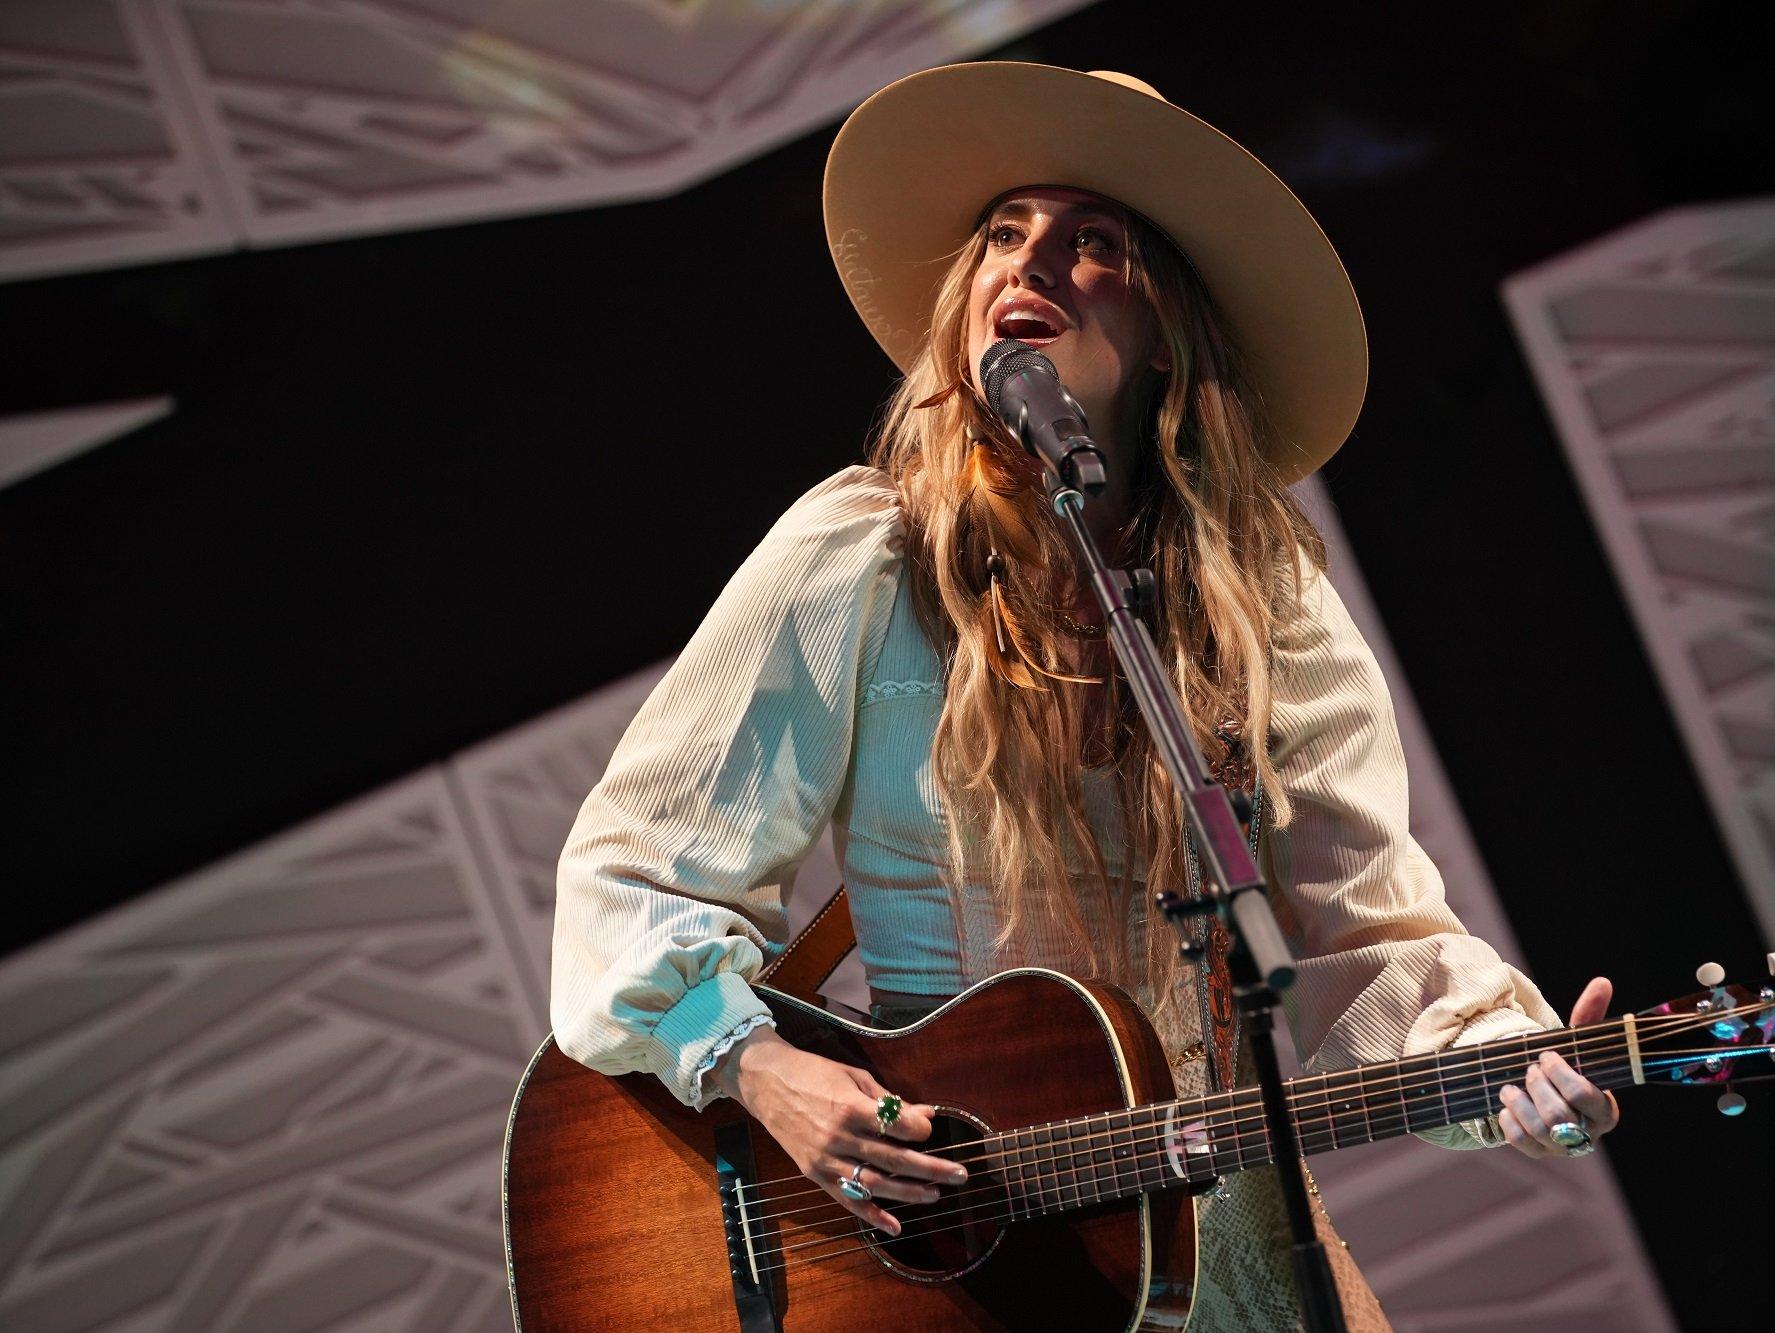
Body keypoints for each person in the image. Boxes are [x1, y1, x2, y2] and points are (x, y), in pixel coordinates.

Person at [550, 63, 1620, 1328]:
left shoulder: (1260, 599)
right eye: (1004, 233)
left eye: (1091, 241)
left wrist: (1502, 1064)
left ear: (1168, 327)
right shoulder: (862, 552)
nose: (1030, 263)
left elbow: (1358, 933)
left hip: (1217, 1258)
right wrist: (767, 1073)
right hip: (938, 1269)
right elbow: (636, 871)